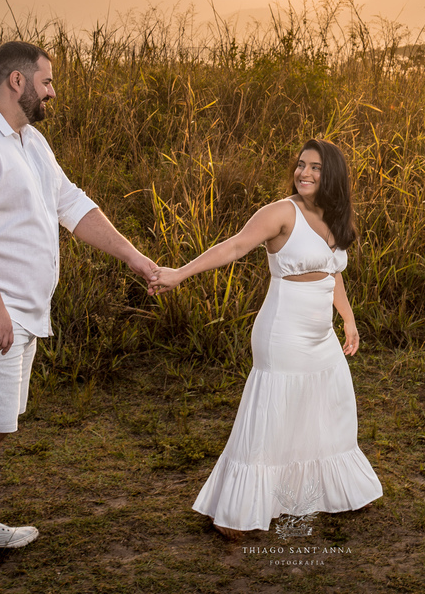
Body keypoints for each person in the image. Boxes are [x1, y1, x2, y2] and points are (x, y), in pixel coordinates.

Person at [0, 40, 158, 584]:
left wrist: (135, 259)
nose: (53, 92)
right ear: (17, 81)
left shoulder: (30, 141)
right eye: (47, 81)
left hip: (18, 310)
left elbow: (72, 205)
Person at [152, 139, 382, 539]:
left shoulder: (334, 216)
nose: (304, 173)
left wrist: (348, 319)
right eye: (301, 165)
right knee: (273, 414)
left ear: (332, 175)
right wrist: (179, 274)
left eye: (315, 167)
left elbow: (333, 273)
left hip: (321, 335)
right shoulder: (281, 212)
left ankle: (330, 489)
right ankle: (237, 510)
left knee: (330, 405)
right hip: (283, 332)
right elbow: (235, 246)